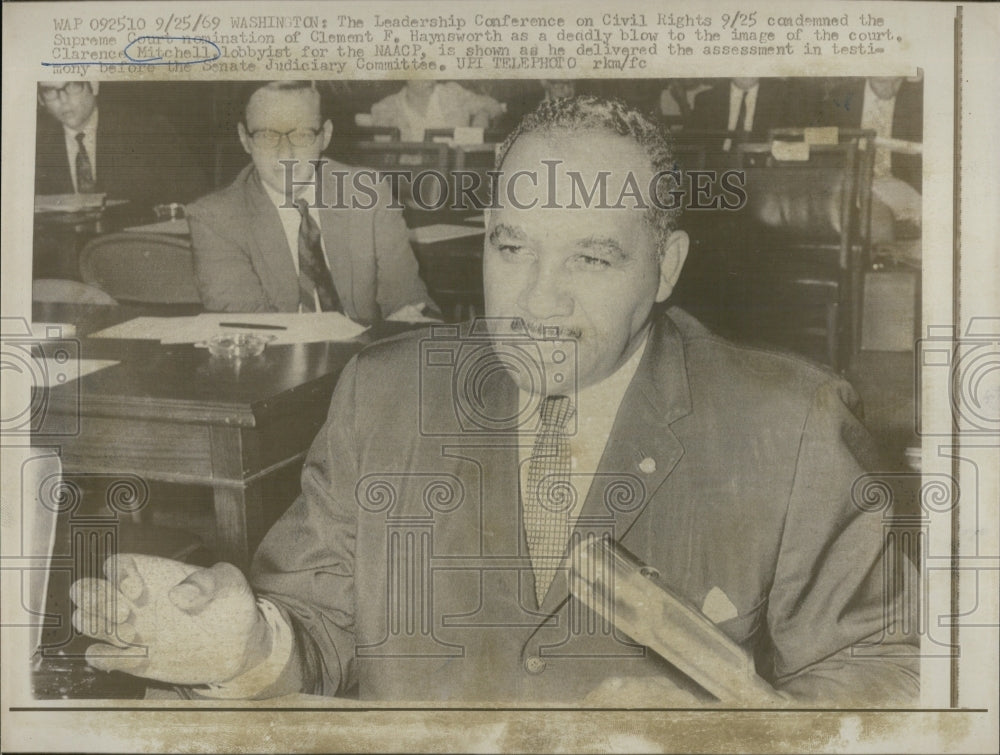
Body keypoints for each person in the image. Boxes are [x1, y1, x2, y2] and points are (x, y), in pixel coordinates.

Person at [71, 96, 918, 705]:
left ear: (665, 266)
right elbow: (318, 625)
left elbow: (892, 663)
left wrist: (746, 732)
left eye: (591, 259)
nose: (535, 302)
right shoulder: (384, 394)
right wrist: (253, 644)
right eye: (512, 246)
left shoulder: (787, 424)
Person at [185, 81, 436, 320]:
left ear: (325, 136)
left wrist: (414, 322)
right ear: (245, 139)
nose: (285, 153)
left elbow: (410, 300)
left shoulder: (366, 193)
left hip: (367, 359)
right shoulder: (215, 219)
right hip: (281, 361)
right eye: (266, 135)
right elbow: (254, 330)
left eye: (303, 135)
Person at [34, 81, 208, 205]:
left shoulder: (147, 131)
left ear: (94, 85)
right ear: (40, 99)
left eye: (72, 86)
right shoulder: (35, 145)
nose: (63, 100)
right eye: (49, 91)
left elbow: (196, 197)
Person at [370, 80, 505, 142]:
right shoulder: (385, 108)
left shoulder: (451, 93)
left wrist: (482, 114)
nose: (429, 79)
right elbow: (387, 155)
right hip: (414, 178)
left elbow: (493, 105)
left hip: (456, 170)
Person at [688, 77, 796, 150]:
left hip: (762, 166)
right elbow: (692, 144)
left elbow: (792, 141)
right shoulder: (707, 99)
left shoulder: (783, 97)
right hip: (719, 167)